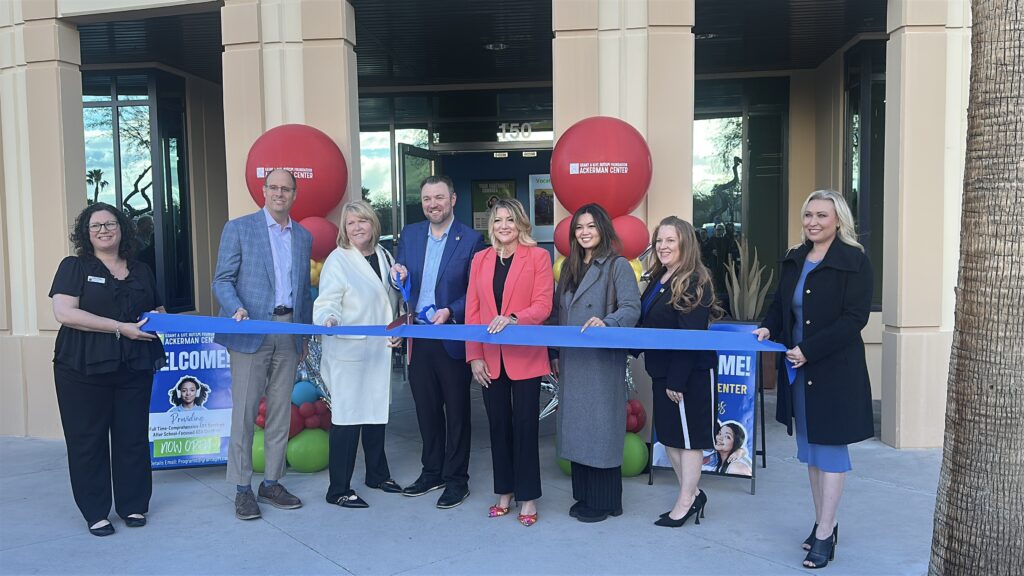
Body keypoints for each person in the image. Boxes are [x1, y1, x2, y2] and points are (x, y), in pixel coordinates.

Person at [754, 189, 873, 569]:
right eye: (808, 215)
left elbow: (855, 319)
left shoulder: (854, 261)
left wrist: (809, 350)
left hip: (834, 371)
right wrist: (767, 329)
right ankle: (825, 521)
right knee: (811, 452)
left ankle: (825, 532)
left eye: (822, 215)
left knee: (831, 451)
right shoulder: (794, 258)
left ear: (838, 219)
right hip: (797, 370)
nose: (813, 222)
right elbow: (779, 305)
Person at [49, 202, 166, 536]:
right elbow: (65, 313)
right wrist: (121, 327)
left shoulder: (141, 270)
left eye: (110, 224)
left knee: (132, 438)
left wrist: (159, 316)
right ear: (86, 233)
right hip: (81, 369)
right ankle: (96, 511)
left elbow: (155, 308)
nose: (103, 230)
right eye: (95, 225)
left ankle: (133, 506)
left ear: (122, 229)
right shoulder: (73, 266)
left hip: (134, 366)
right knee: (88, 440)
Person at [212, 168, 313, 521]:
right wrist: (235, 307)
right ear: (263, 190)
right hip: (249, 329)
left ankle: (271, 483)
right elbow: (222, 280)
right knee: (243, 413)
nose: (279, 194)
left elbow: (303, 291)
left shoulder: (302, 236)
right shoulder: (239, 228)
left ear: (295, 194)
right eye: (273, 187)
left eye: (286, 189)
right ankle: (242, 489)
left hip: (288, 330)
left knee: (280, 412)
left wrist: (302, 335)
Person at [390, 175, 485, 509]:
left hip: (452, 333)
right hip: (419, 335)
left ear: (453, 199)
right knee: (426, 410)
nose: (433, 204)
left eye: (439, 197)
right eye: (427, 198)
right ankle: (431, 472)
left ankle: (457, 480)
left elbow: (477, 291)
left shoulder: (472, 240)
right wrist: (396, 274)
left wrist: (450, 311)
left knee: (457, 412)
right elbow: (401, 275)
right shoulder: (411, 234)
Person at [550, 203, 640, 523]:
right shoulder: (570, 267)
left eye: (591, 226)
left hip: (601, 362)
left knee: (599, 431)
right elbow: (558, 314)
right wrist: (555, 353)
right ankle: (586, 496)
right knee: (578, 431)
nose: (584, 232)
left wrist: (609, 323)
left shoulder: (618, 266)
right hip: (573, 361)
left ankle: (605, 502)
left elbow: (631, 308)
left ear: (603, 228)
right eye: (579, 227)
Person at [465, 198, 553, 527]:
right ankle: (504, 491)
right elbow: (473, 311)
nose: (504, 225)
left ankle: (528, 497)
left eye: (510, 220)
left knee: (526, 428)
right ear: (492, 225)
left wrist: (515, 318)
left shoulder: (538, 257)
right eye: (499, 220)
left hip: (526, 357)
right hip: (489, 359)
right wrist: (474, 355)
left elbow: (544, 304)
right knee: (498, 426)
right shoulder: (480, 260)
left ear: (521, 224)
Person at [314, 200, 404, 509]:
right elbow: (328, 299)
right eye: (351, 223)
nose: (357, 228)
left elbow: (391, 301)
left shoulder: (385, 255)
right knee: (347, 418)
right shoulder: (338, 260)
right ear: (344, 229)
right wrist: (328, 319)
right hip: (348, 348)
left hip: (378, 350)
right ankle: (338, 488)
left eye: (362, 221)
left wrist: (398, 328)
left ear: (373, 224)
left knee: (376, 413)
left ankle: (377, 475)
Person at [637, 216, 721, 528]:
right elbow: (647, 324)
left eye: (670, 240)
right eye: (659, 240)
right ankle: (694, 494)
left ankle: (685, 501)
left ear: (685, 243)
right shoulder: (660, 278)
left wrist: (677, 381)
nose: (663, 246)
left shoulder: (694, 280)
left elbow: (691, 336)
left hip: (689, 375)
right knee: (671, 438)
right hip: (662, 371)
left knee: (689, 441)